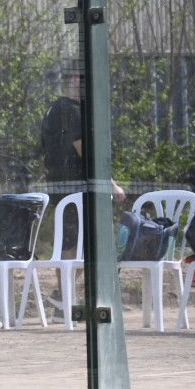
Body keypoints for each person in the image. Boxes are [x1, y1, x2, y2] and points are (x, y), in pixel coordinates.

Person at [38, 62, 124, 258]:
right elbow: (86, 154)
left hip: (63, 187)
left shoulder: (57, 107)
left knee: (73, 243)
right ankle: (67, 280)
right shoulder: (71, 111)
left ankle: (67, 280)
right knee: (74, 245)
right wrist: (111, 184)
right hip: (74, 189)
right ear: (76, 79)